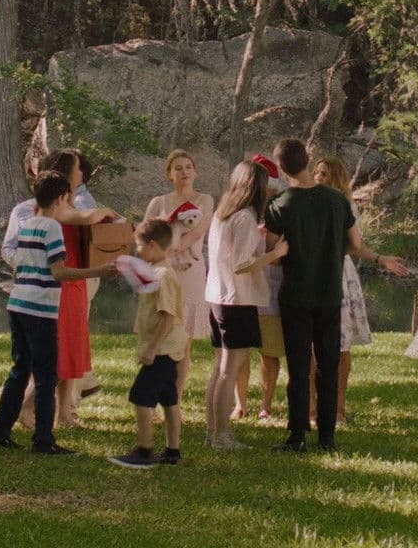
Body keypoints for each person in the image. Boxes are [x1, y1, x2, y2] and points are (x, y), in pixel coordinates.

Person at [264, 138, 386, 452]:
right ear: (307, 161)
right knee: (328, 364)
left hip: (295, 294)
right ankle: (327, 437)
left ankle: (297, 435)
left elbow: (274, 255)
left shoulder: (279, 204)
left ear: (282, 168)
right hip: (330, 292)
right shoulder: (337, 200)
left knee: (299, 366)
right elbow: (355, 244)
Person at [0, 172, 116, 455]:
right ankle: (43, 439)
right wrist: (99, 271)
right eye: (68, 200)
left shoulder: (29, 224)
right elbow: (59, 272)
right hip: (40, 309)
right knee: (47, 375)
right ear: (61, 198)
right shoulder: (52, 228)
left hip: (18, 304)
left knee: (20, 370)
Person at [311, 156, 410, 425]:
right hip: (311, 276)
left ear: (337, 179)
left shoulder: (345, 205)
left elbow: (355, 246)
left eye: (325, 174)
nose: (319, 178)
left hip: (339, 276)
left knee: (340, 347)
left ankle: (338, 409)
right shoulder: (306, 202)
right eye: (317, 172)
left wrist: (380, 259)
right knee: (311, 347)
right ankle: (311, 409)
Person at [203, 162, 289, 449]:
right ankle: (221, 436)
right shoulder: (246, 217)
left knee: (220, 369)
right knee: (229, 370)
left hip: (218, 297)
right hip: (237, 300)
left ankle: (212, 432)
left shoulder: (223, 214)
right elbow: (242, 264)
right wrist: (275, 253)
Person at [108, 220, 189, 469]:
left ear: (152, 245)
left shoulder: (163, 276)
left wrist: (151, 348)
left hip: (163, 348)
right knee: (169, 398)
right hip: (169, 347)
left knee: (141, 395)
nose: (137, 251)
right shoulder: (157, 271)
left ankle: (144, 451)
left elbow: (167, 316)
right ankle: (172, 451)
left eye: (139, 246)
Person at [144, 149, 214, 398]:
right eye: (178, 168)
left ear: (195, 171)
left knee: (182, 343)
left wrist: (168, 249)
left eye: (188, 167)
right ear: (169, 174)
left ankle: (174, 400)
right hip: (163, 273)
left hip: (191, 273)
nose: (184, 172)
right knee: (158, 338)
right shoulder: (158, 203)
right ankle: (151, 397)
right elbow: (144, 238)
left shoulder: (205, 200)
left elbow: (196, 234)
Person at [251, 153, 287, 421]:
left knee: (273, 351)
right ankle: (244, 403)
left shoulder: (283, 211)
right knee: (246, 353)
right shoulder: (242, 212)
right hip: (245, 291)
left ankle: (268, 405)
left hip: (276, 290)